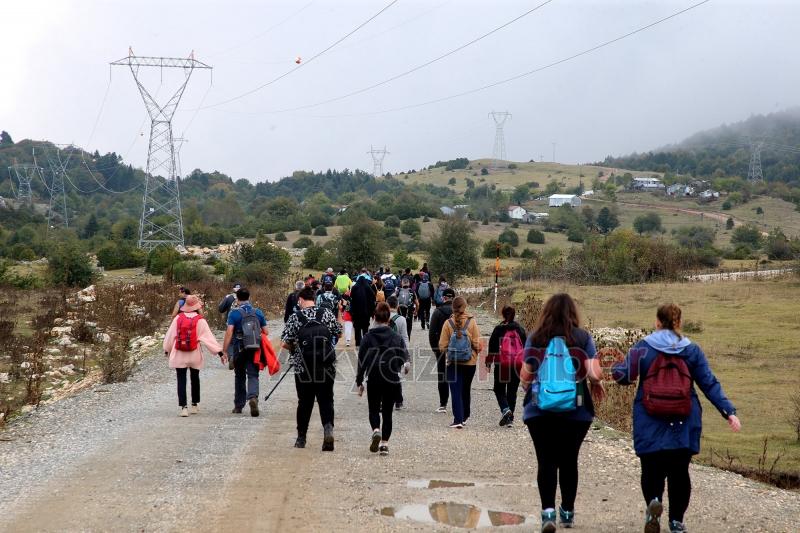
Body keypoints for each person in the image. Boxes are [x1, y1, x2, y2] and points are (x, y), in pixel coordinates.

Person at [612, 303, 740, 533]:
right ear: (679, 322)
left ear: (657, 322)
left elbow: (624, 376)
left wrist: (615, 368)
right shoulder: (691, 350)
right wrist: (729, 412)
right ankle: (677, 521)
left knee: (651, 469)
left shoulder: (643, 347)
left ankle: (654, 503)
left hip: (649, 419)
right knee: (679, 473)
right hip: (684, 421)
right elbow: (708, 383)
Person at [519, 293, 605, 533]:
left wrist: (536, 382)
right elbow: (595, 374)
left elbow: (525, 378)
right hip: (576, 411)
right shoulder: (582, 337)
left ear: (546, 312)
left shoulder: (536, 337)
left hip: (539, 411)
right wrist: (596, 383)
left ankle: (548, 512)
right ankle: (567, 511)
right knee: (569, 461)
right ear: (572, 313)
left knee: (545, 461)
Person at [281, 287, 343, 451]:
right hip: (326, 364)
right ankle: (328, 429)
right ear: (314, 298)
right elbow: (339, 333)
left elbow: (284, 342)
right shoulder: (326, 313)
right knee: (326, 399)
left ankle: (301, 438)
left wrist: (295, 347)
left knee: (304, 402)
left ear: (300, 299)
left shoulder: (296, 316)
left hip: (303, 367)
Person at [356, 302, 409, 456]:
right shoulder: (396, 337)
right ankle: (384, 444)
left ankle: (376, 430)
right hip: (391, 378)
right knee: (387, 413)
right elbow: (403, 357)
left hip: (374, 377)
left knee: (373, 409)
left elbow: (362, 361)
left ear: (374, 317)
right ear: (389, 320)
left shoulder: (367, 337)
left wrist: (359, 382)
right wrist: (402, 365)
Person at [163, 295, 224, 416]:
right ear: (197, 307)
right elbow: (208, 339)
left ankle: (183, 408)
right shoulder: (200, 320)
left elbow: (170, 335)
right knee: (195, 378)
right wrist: (220, 353)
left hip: (179, 352)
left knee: (181, 379)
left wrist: (167, 349)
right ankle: (195, 404)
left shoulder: (178, 318)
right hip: (194, 353)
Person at [222, 288, 268, 417]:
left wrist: (224, 349)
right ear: (249, 297)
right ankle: (253, 397)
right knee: (253, 374)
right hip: (254, 347)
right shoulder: (257, 312)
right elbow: (266, 331)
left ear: (237, 298)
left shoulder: (234, 313)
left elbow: (229, 332)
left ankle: (238, 406)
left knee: (239, 375)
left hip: (239, 348)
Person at [438, 296, 482, 429]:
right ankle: (465, 415)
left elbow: (441, 346)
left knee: (455, 390)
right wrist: (474, 352)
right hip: (470, 363)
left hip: (453, 363)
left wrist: (451, 351)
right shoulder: (472, 322)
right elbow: (478, 344)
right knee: (465, 388)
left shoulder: (447, 323)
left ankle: (458, 419)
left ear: (453, 307)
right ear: (465, 307)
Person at [486, 305, 527, 427]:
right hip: (517, 365)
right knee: (512, 390)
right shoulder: (520, 329)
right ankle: (510, 419)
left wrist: (488, 362)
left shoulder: (499, 329)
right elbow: (526, 347)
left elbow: (492, 347)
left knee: (499, 388)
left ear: (503, 315)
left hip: (501, 364)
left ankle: (505, 409)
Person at [428, 287, 455, 413]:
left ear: (443, 298)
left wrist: (435, 349)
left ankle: (443, 404)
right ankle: (457, 403)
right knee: (456, 376)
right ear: (453, 298)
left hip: (442, 349)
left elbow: (432, 332)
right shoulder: (460, 312)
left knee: (442, 376)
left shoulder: (438, 312)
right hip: (458, 350)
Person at [386, 295, 410, 410]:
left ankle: (383, 400)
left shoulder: (380, 317)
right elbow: (405, 338)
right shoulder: (401, 319)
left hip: (383, 351)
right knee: (396, 375)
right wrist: (406, 356)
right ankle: (398, 401)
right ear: (397, 305)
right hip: (396, 352)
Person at [350, 272, 376, 347]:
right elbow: (373, 298)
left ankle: (358, 342)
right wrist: (372, 311)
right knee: (365, 327)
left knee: (357, 328)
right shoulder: (368, 287)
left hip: (356, 312)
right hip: (366, 312)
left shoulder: (355, 287)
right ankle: (365, 342)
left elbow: (351, 299)